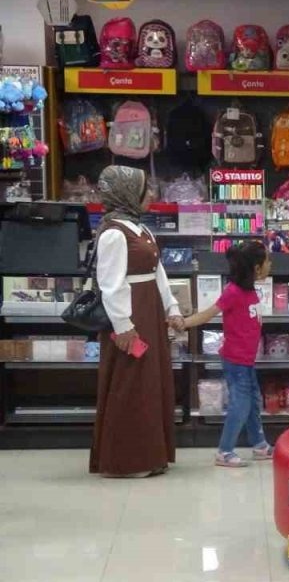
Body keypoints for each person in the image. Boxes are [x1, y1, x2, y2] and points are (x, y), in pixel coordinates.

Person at [90, 165, 185, 478]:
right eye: (147, 189)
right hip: (131, 317)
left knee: (150, 383)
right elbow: (111, 283)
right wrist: (123, 326)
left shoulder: (140, 229)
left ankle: (151, 454)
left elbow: (158, 273)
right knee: (130, 384)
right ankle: (127, 460)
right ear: (129, 193)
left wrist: (171, 307)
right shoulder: (114, 233)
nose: (152, 195)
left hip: (150, 312)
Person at [183, 241, 274, 466]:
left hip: (246, 360)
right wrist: (183, 323)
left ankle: (260, 445)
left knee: (253, 401)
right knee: (240, 404)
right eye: (267, 261)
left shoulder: (250, 288)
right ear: (256, 267)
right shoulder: (233, 292)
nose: (271, 265)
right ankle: (225, 451)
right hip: (236, 361)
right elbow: (208, 313)